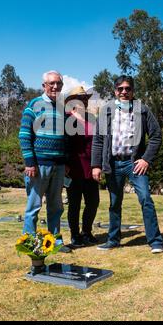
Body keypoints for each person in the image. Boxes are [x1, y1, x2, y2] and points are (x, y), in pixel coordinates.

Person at [91, 75, 163, 254]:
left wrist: (146, 159)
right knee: (114, 203)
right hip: (113, 164)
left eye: (127, 88)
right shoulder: (106, 111)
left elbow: (156, 136)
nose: (124, 92)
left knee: (146, 199)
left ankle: (155, 241)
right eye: (120, 89)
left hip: (134, 164)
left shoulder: (143, 110)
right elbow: (98, 140)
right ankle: (113, 240)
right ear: (115, 91)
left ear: (133, 91)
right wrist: (96, 165)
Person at [19, 70, 71, 253]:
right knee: (34, 206)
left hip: (58, 166)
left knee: (56, 207)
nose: (55, 87)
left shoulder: (62, 108)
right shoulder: (34, 105)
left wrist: (66, 163)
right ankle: (29, 242)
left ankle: (55, 242)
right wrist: (30, 163)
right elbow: (24, 135)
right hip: (38, 165)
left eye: (59, 83)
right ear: (44, 86)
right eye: (52, 83)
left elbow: (65, 139)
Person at [65, 86, 100, 247]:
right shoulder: (65, 119)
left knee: (93, 202)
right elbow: (62, 144)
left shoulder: (92, 118)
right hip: (73, 168)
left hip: (91, 168)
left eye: (86, 98)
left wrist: (97, 165)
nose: (84, 101)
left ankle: (87, 231)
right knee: (74, 204)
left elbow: (98, 143)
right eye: (80, 98)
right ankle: (75, 234)